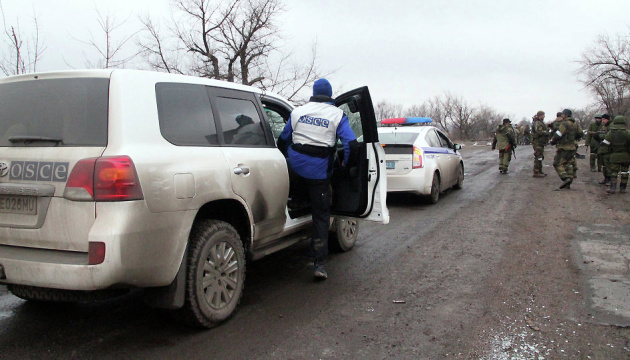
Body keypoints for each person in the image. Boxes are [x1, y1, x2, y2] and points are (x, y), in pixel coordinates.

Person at [278, 78, 357, 280]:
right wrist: (345, 165)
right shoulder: (337, 115)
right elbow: (351, 144)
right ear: (330, 95)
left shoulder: (297, 112)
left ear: (313, 93)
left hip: (294, 171)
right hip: (318, 175)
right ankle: (319, 265)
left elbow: (283, 139)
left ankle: (295, 201)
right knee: (321, 217)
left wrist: (286, 158)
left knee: (296, 193)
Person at [550, 109, 583, 189]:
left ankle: (565, 178)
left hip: (563, 147)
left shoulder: (564, 124)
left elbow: (558, 134)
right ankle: (568, 183)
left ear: (565, 115)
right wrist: (574, 139)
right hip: (572, 147)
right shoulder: (575, 123)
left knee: (557, 163)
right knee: (568, 163)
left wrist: (553, 141)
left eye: (563, 115)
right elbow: (581, 133)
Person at [602, 115, 630, 194]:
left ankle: (613, 188)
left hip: (614, 155)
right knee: (625, 172)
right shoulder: (627, 132)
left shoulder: (611, 132)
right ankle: (623, 188)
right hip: (626, 156)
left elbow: (605, 143)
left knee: (614, 172)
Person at [531, 110, 550, 177]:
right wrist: (547, 132)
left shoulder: (540, 122)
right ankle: (536, 172)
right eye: (543, 115)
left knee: (540, 157)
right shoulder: (537, 123)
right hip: (537, 142)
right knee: (538, 156)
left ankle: (539, 170)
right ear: (540, 115)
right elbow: (539, 131)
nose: (544, 116)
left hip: (540, 142)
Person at [597, 114, 613, 185]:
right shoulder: (604, 126)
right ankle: (606, 178)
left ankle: (610, 179)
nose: (602, 121)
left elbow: (610, 136)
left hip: (608, 148)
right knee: (604, 165)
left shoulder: (611, 126)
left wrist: (600, 136)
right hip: (603, 148)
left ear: (607, 119)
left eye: (604, 119)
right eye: (602, 119)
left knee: (608, 165)